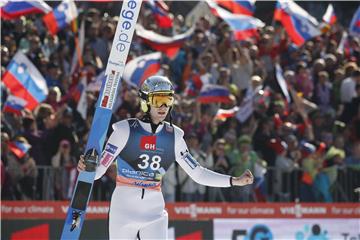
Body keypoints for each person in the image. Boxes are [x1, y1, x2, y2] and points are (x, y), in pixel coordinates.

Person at [77, 76, 254, 239]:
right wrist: (88, 167)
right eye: (158, 100)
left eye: (168, 100)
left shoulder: (174, 136)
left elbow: (197, 173)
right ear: (146, 102)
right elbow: (99, 172)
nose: (163, 106)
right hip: (123, 210)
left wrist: (234, 181)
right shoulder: (125, 131)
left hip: (154, 212)